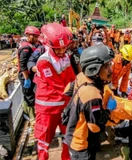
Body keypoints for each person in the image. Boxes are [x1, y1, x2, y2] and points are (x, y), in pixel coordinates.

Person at [65, 44, 116, 160]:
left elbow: (67, 90)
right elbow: (96, 126)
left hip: (74, 133)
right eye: (106, 66)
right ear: (94, 69)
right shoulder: (91, 95)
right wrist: (108, 109)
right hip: (82, 144)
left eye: (110, 64)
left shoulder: (82, 76)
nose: (110, 70)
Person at [33, 22, 75, 160]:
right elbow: (58, 86)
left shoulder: (65, 57)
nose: (62, 51)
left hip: (63, 104)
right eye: (58, 49)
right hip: (47, 109)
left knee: (68, 137)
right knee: (44, 142)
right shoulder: (44, 61)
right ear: (48, 46)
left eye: (64, 48)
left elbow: (71, 78)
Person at [18, 26, 40, 129]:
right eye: (34, 36)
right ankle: (32, 118)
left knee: (29, 94)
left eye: (37, 36)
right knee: (29, 95)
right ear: (27, 35)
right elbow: (23, 65)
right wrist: (26, 78)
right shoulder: (25, 48)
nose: (36, 38)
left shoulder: (32, 45)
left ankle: (27, 111)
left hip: (30, 73)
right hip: (25, 75)